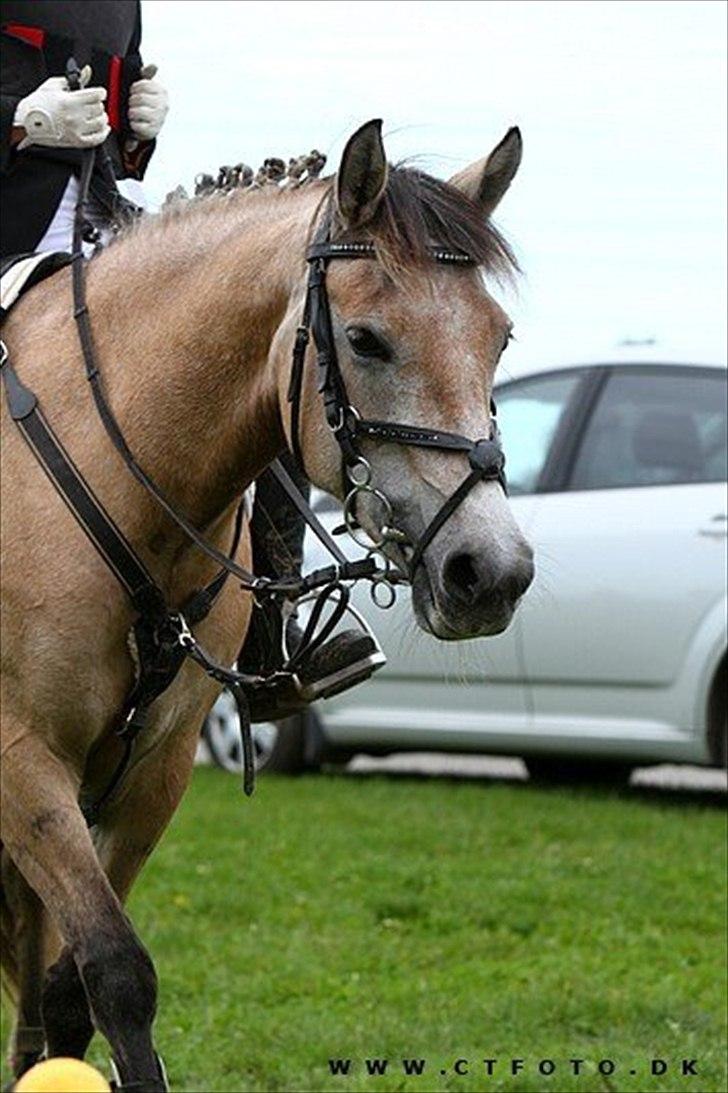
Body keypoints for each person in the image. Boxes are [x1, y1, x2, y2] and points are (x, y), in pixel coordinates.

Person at [1, 0, 381, 721]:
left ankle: (272, 641)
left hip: (94, 230)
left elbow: (97, 147)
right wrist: (19, 122)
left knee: (255, 365)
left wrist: (135, 140)